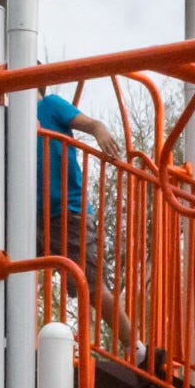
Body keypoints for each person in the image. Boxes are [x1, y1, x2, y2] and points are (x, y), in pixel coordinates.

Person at [36, 89, 134, 343]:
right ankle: (14, 338)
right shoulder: (9, 117)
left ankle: (138, 351)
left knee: (91, 286)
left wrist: (99, 130)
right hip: (31, 216)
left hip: (67, 213)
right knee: (13, 273)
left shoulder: (49, 105)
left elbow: (90, 123)